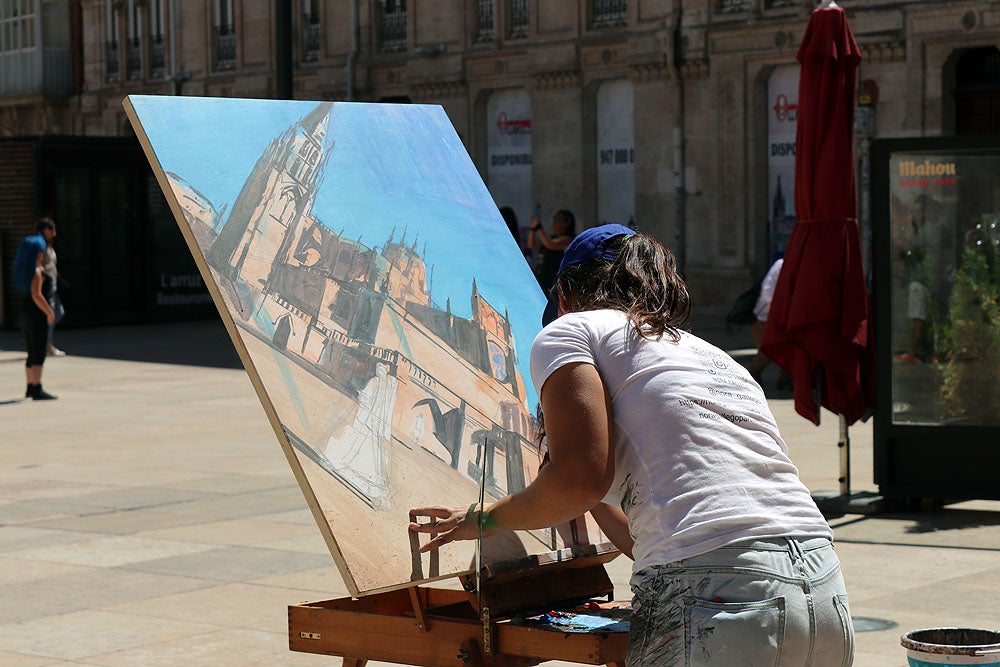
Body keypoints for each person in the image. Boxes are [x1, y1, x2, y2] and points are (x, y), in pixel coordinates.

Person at [409, 224, 853, 666]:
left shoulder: (570, 331)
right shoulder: (708, 354)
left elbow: (578, 481)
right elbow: (659, 523)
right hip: (823, 592)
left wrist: (485, 517)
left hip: (717, 599)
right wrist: (593, 498)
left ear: (565, 296)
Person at [13, 232, 58, 400]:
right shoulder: (37, 272)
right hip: (36, 314)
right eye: (41, 250)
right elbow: (36, 295)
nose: (43, 252)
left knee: (31, 350)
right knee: (38, 350)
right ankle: (37, 387)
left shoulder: (26, 271)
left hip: (26, 313)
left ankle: (30, 386)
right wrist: (49, 311)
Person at [748, 256, 792, 390]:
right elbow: (768, 294)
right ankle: (751, 376)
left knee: (788, 349)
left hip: (779, 320)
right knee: (768, 351)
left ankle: (784, 380)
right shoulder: (781, 265)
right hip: (763, 318)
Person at [527, 208, 575, 326]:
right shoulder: (550, 237)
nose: (554, 222)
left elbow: (550, 244)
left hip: (555, 284)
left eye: (558, 219)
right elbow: (531, 244)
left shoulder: (567, 239)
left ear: (567, 223)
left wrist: (538, 227)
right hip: (544, 280)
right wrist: (533, 229)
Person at [38, 218, 66, 357]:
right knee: (51, 314)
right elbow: (38, 263)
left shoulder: (48, 245)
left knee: (57, 313)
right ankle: (46, 345)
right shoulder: (40, 245)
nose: (54, 233)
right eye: (51, 230)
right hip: (46, 286)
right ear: (44, 230)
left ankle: (45, 343)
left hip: (53, 285)